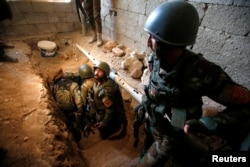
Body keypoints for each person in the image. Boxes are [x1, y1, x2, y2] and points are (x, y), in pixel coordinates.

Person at [130, 1, 250, 166]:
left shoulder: (203, 72)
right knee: (145, 148)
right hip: (153, 123)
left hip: (172, 138)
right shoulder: (156, 59)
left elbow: (246, 104)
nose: (148, 42)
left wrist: (209, 123)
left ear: (169, 43)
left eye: (153, 38)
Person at [87, 61, 127, 139]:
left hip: (104, 113)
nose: (96, 73)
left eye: (100, 71)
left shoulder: (106, 90)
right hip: (98, 110)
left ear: (105, 74)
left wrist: (104, 122)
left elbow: (109, 109)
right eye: (96, 70)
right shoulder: (97, 84)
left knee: (104, 131)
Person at [53, 70, 84, 142]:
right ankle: (78, 137)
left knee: (69, 123)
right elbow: (78, 99)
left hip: (62, 109)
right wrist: (80, 109)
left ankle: (73, 135)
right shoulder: (74, 85)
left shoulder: (56, 85)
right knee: (75, 122)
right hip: (72, 108)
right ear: (71, 78)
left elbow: (55, 97)